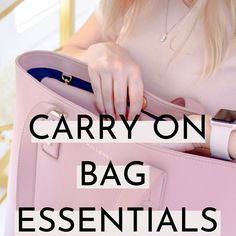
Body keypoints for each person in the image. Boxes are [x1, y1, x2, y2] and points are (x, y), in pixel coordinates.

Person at [61, 0, 236, 160]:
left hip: (188, 187)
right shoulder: (129, 3)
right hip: (103, 164)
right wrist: (96, 53)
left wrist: (200, 132)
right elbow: (65, 56)